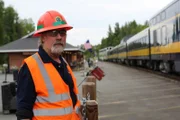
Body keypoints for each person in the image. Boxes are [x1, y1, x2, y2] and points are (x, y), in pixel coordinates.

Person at [16, 10, 82, 120]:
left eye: (62, 32)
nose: (59, 37)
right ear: (42, 37)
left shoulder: (64, 63)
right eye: (54, 33)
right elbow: (23, 112)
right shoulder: (30, 67)